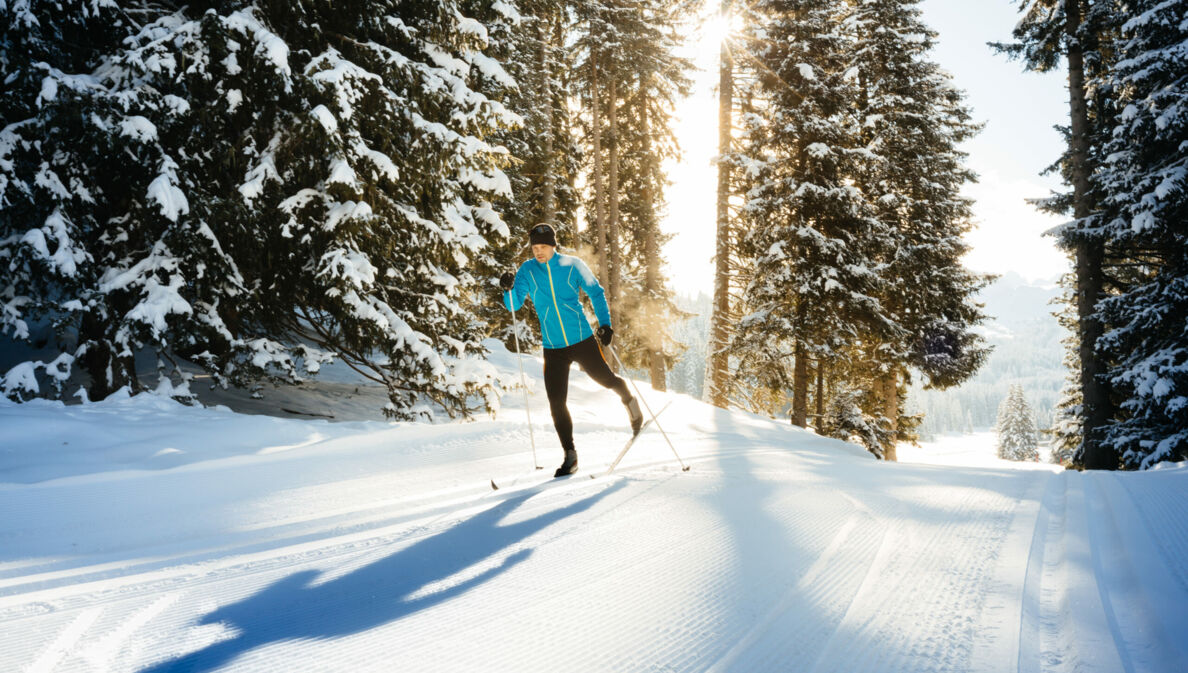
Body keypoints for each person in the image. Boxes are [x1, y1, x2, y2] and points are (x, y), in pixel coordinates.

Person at [499, 223, 643, 477]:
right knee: (557, 402)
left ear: (553, 246)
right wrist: (507, 289)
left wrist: (605, 325)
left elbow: (596, 293)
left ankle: (628, 398)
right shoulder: (527, 270)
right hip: (553, 347)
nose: (538, 252)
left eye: (543, 246)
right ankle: (570, 455)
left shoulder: (572, 265)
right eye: (534, 247)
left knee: (606, 379)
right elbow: (513, 305)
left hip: (581, 340)